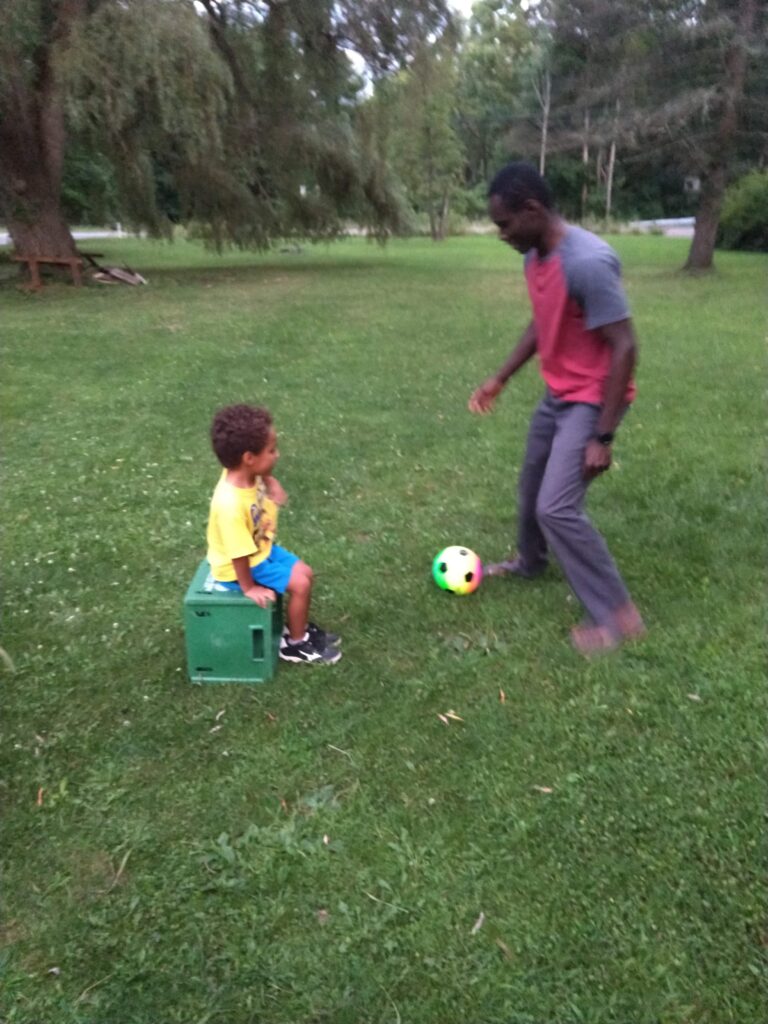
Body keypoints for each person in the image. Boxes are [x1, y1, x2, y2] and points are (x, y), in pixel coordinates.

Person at [468, 162, 645, 655]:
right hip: (558, 395)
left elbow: (625, 345)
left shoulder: (587, 261)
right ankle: (531, 561)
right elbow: (541, 323)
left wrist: (603, 436)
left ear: (532, 210)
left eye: (504, 224)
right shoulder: (535, 255)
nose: (500, 234)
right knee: (531, 486)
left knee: (557, 506)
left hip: (593, 400)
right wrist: (500, 377)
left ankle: (618, 615)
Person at [206, 403, 341, 665]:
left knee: (306, 573)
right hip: (238, 567)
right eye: (271, 450)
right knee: (300, 585)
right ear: (249, 458)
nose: (277, 455)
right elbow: (238, 555)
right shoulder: (230, 505)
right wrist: (249, 588)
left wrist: (269, 481)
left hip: (259, 549)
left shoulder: (245, 472)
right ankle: (295, 644)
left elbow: (259, 474)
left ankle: (296, 627)